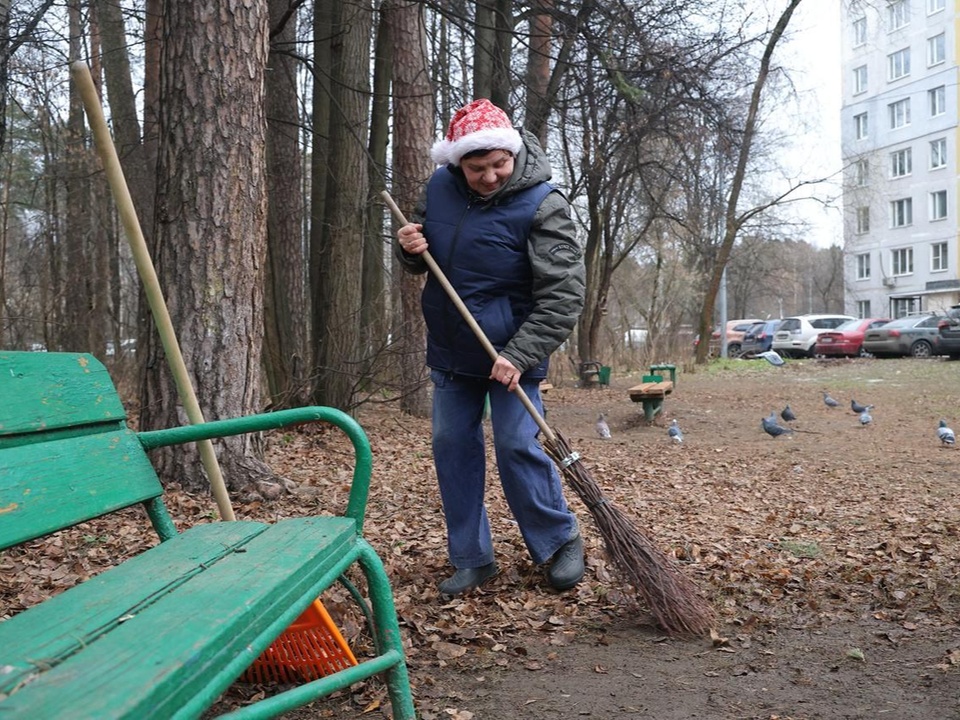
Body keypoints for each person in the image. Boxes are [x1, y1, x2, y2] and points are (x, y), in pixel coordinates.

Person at [394, 98, 586, 596]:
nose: (489, 176)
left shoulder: (544, 203)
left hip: (513, 350)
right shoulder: (439, 188)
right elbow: (425, 256)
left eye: (498, 164)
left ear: (512, 152)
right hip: (453, 348)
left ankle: (558, 541)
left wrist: (519, 355)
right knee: (451, 448)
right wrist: (409, 247)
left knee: (517, 444)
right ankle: (472, 557)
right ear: (457, 163)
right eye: (476, 168)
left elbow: (563, 295)